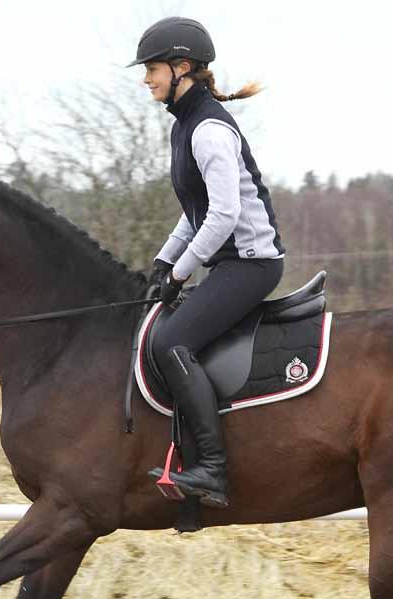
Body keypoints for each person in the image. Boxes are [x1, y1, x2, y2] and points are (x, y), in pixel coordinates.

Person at [127, 17, 285, 508]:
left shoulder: (209, 130)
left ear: (182, 68)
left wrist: (180, 272)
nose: (146, 79)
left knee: (172, 341)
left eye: (152, 69)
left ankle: (212, 470)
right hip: (229, 262)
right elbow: (195, 212)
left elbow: (224, 215)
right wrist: (163, 259)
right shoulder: (186, 124)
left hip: (252, 263)